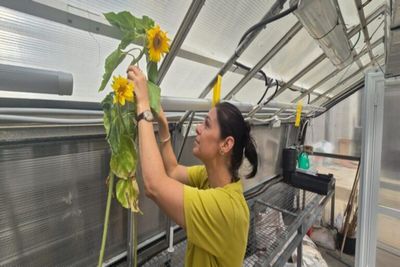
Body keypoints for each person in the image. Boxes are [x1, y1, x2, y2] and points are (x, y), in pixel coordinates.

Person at [127, 65, 258, 267]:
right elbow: (172, 169)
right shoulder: (210, 178)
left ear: (226, 144)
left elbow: (154, 185)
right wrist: (162, 126)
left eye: (206, 124)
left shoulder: (226, 209)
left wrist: (143, 107)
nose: (197, 128)